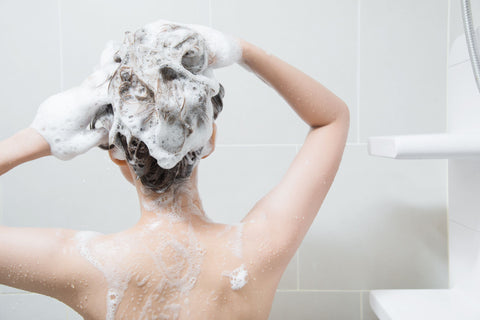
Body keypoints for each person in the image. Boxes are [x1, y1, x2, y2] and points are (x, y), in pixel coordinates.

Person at [0, 21, 349, 320]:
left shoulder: (84, 265)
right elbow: (332, 119)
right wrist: (241, 50)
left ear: (116, 153)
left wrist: (36, 137)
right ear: (209, 138)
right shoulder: (260, 247)